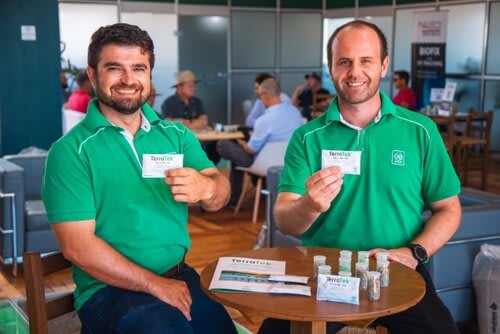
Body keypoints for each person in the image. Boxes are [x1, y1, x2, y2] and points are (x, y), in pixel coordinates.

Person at [264, 20, 462, 334]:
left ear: (383, 65)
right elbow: (285, 220)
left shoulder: (421, 132)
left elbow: (449, 209)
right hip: (323, 273)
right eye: (344, 62)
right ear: (331, 68)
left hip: (399, 270)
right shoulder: (307, 137)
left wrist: (414, 252)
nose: (355, 72)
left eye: (365, 60)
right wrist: (309, 205)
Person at [42, 23, 236, 334]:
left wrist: (208, 187)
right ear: (93, 75)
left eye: (138, 68)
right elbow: (78, 248)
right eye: (115, 68)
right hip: (108, 291)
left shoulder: (177, 135)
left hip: (179, 275)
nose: (129, 80)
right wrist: (154, 285)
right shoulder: (69, 152)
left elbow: (220, 190)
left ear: (149, 75)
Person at [217, 78, 303, 206]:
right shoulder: (295, 112)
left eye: (260, 96)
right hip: (290, 161)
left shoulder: (264, 120)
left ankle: (234, 198)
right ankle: (248, 193)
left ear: (265, 95)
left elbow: (251, 149)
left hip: (262, 164)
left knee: (223, 144)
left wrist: (241, 142)